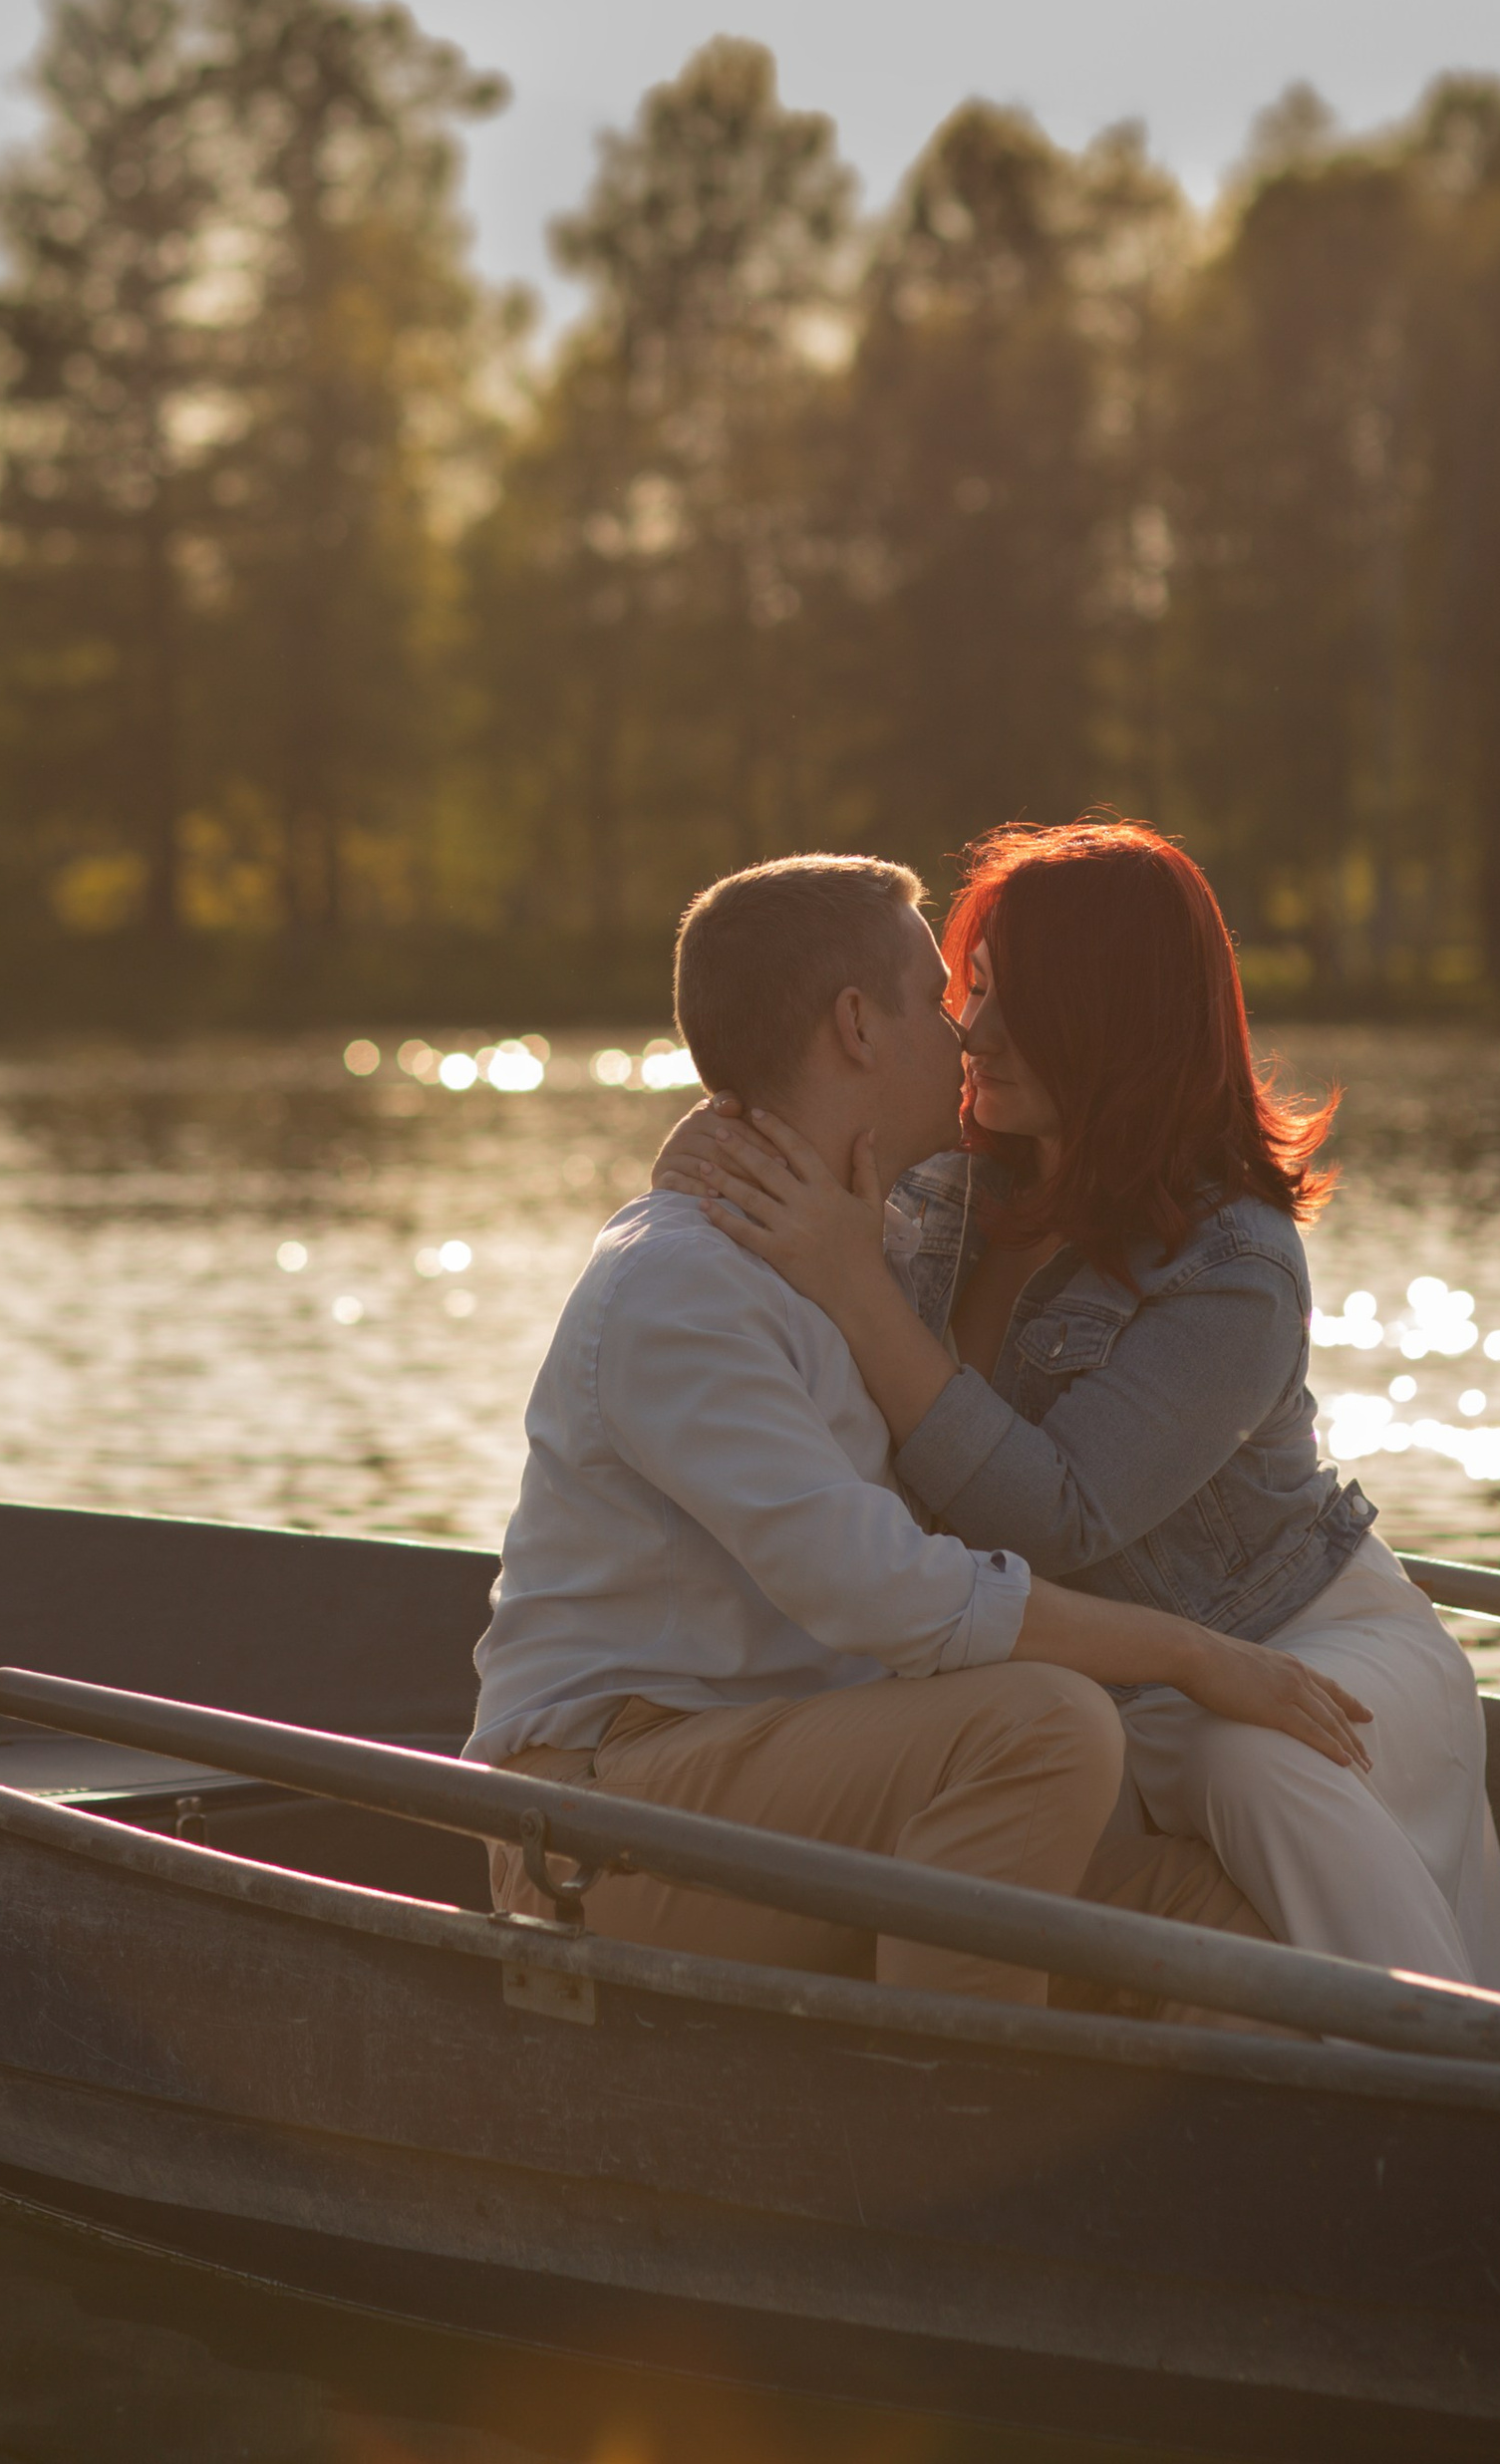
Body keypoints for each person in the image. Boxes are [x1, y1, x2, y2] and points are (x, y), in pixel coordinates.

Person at [468, 850, 1376, 2010]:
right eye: (942, 998)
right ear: (857, 1023)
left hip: (820, 1769)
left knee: (1247, 1939)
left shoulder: (861, 1243)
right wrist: (1193, 1653)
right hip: (608, 1821)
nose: (966, 1033)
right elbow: (884, 1592)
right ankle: (950, 2109)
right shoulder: (683, 1289)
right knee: (1045, 1725)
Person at [663, 819, 1500, 1995]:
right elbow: (781, 1137)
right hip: (1099, 1681)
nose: (975, 1029)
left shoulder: (1234, 1261)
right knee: (1084, 1758)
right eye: (969, 990)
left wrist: (854, 1285)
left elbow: (1054, 1517)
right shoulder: (950, 1182)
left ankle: (1450, 2078)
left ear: (1121, 1021)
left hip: (1294, 1646)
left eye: (1025, 1001)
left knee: (1249, 1768)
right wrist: (715, 1147)